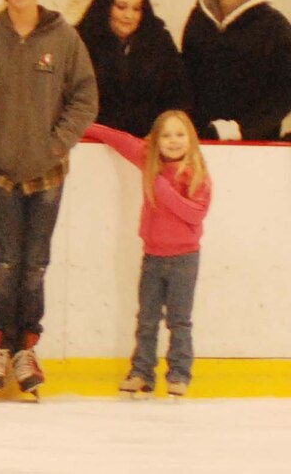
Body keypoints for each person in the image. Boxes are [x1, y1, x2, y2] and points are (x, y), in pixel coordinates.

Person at [0, 0, 98, 398]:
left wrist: (56, 144)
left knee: (34, 265)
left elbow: (84, 98)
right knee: (2, 265)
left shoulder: (63, 38)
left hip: (47, 174)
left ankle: (26, 347)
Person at [87, 112, 212, 399]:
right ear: (156, 140)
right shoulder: (148, 160)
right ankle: (142, 372)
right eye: (166, 135)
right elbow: (120, 139)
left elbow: (196, 214)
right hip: (153, 257)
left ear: (191, 139)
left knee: (179, 321)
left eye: (180, 135)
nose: (173, 141)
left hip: (184, 259)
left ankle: (179, 374)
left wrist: (162, 189)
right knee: (146, 318)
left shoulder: (197, 174)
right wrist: (85, 126)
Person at [182, 0, 291, 142]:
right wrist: (193, 124)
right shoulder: (198, 19)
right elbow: (186, 75)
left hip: (256, 143)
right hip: (201, 137)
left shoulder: (274, 26)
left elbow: (284, 92)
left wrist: (245, 130)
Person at [76, 0, 189, 138]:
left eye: (136, 9)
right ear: (106, 7)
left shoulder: (160, 43)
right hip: (93, 144)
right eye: (121, 7)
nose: (129, 16)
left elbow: (178, 96)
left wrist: (163, 131)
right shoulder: (81, 42)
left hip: (148, 145)